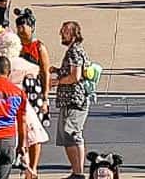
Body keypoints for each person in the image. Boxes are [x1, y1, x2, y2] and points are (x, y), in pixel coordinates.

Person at [52, 21, 91, 179]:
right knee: (70, 135)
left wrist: (56, 81)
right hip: (71, 100)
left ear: (74, 34)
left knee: (72, 135)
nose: (61, 34)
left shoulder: (74, 52)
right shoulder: (75, 51)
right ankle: (77, 171)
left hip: (74, 100)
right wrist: (58, 70)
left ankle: (78, 172)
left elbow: (75, 76)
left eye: (65, 32)